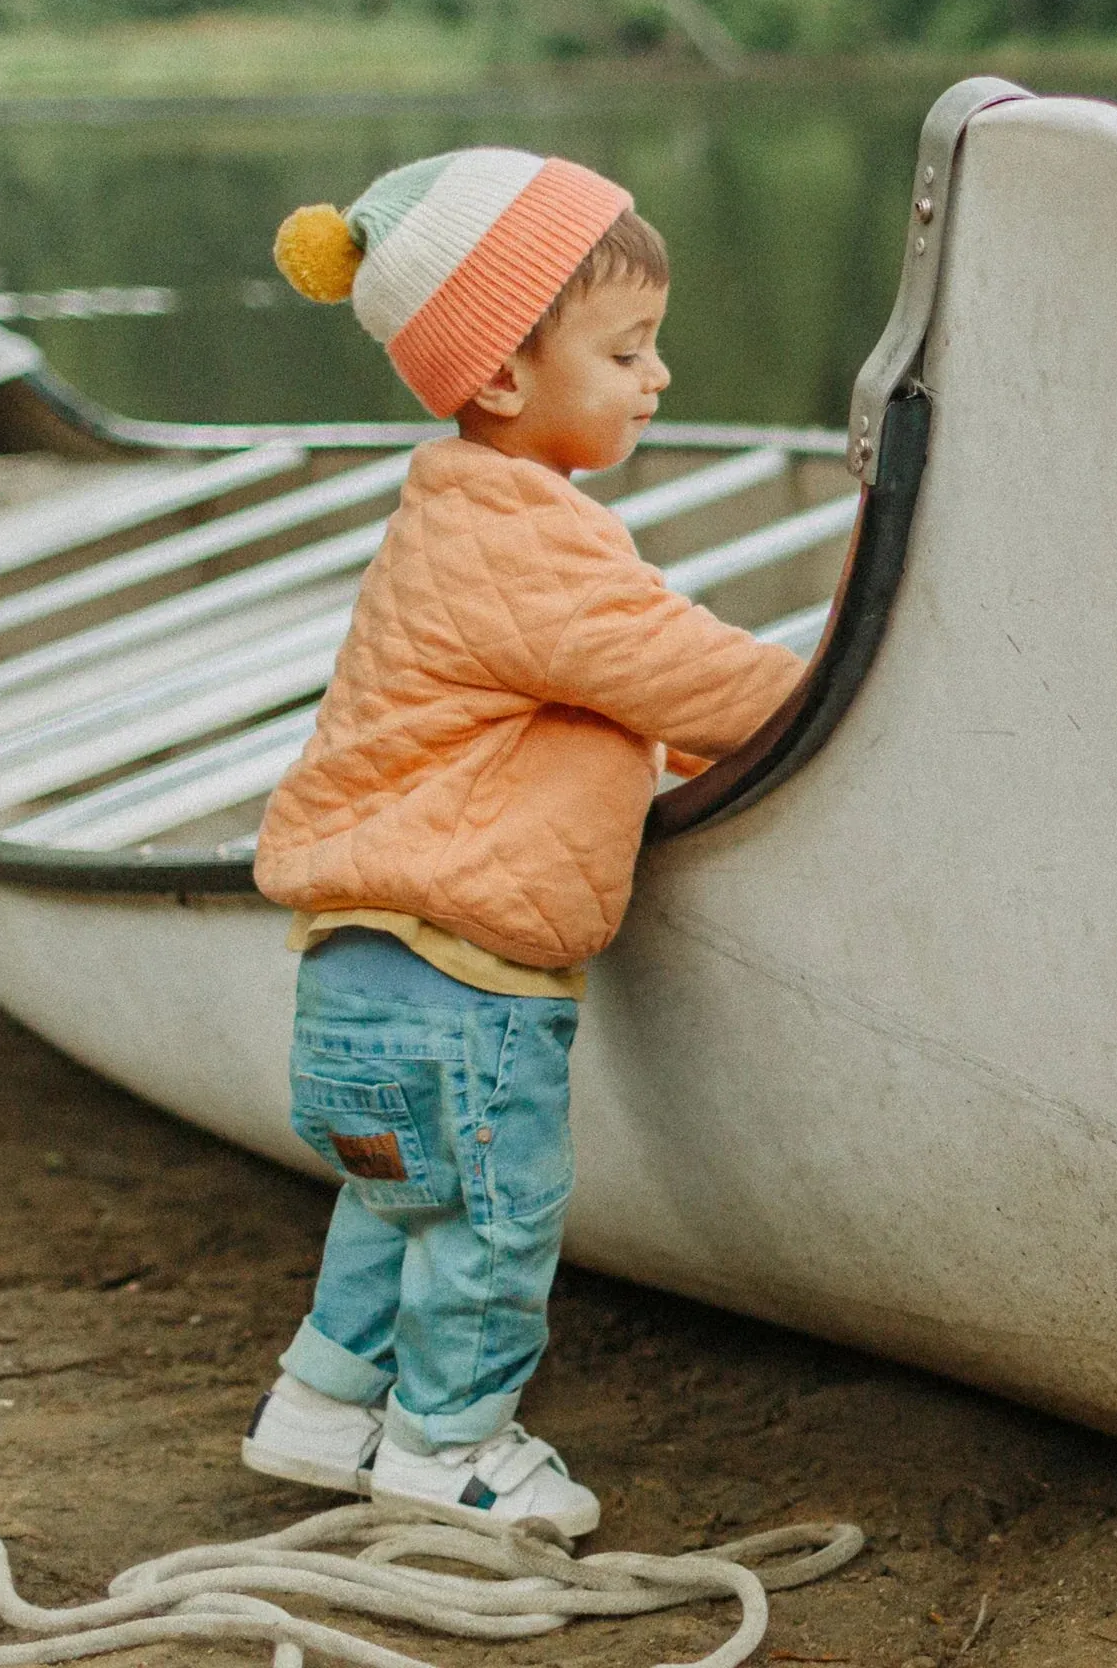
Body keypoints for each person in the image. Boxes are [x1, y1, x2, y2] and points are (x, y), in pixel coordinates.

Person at [240, 147, 807, 1539]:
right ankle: (452, 1451)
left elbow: (592, 706)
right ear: (502, 375)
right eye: (626, 351)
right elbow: (679, 677)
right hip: (462, 993)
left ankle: (319, 1411)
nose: (655, 377)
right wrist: (843, 691)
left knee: (397, 1207)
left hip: (357, 982)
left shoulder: (451, 524)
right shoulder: (526, 540)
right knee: (492, 1227)